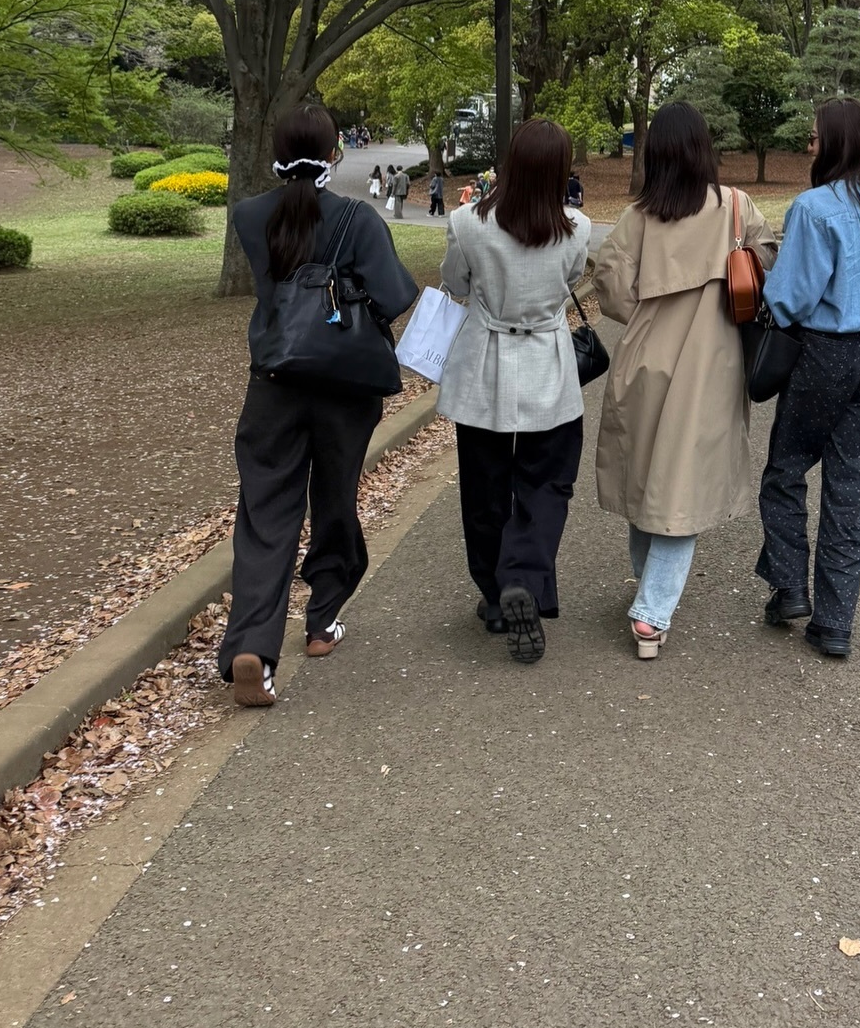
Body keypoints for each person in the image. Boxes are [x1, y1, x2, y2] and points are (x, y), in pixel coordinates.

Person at [217, 104, 418, 707]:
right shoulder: (357, 219)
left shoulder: (250, 215)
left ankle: (253, 646)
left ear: (277, 153)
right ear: (334, 153)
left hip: (274, 382)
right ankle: (322, 620)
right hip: (345, 388)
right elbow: (394, 295)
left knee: (264, 512)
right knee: (334, 498)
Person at [592, 102, 778, 660]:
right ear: (703, 149)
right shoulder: (735, 208)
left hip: (646, 358)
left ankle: (649, 592)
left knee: (645, 476)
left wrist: (648, 314)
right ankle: (651, 612)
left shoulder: (639, 217)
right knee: (684, 484)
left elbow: (610, 285)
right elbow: (767, 263)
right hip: (711, 364)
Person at [755, 97, 860, 661]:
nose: (809, 146)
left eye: (815, 137)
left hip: (825, 352)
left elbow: (790, 298)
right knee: (849, 492)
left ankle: (789, 588)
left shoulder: (814, 207)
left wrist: (762, 276)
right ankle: (835, 623)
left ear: (836, 142)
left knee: (785, 469)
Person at [436, 119, 590, 665]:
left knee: (484, 485)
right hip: (548, 361)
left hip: (485, 362)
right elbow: (571, 280)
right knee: (548, 483)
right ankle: (523, 574)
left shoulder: (467, 223)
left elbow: (455, 283)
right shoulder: (577, 227)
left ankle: (495, 594)